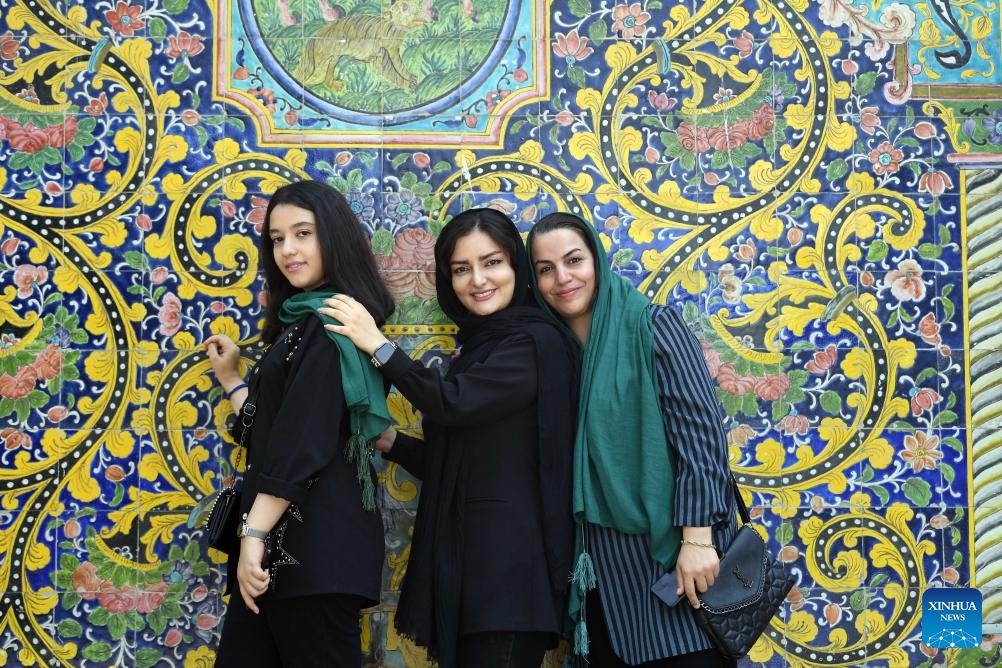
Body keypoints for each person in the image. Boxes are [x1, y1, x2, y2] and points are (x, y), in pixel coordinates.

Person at [320, 208, 578, 668]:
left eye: (492, 262)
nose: (477, 279)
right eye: (461, 269)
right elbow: (468, 458)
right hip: (477, 577)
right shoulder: (485, 346)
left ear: (516, 268)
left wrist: (377, 345)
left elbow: (453, 402)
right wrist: (394, 443)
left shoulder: (533, 344)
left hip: (510, 582)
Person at [527, 212, 739, 667]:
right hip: (605, 574)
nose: (562, 278)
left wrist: (698, 539)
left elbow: (700, 441)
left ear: (597, 262)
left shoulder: (651, 325)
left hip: (675, 563)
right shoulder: (551, 352)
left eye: (574, 260)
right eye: (545, 269)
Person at [203, 180, 395, 667]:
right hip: (287, 556)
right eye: (277, 237)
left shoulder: (331, 323)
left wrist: (253, 534)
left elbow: (301, 443)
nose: (287, 249)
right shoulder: (302, 324)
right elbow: (277, 426)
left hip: (312, 556)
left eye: (303, 233)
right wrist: (233, 382)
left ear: (333, 236)